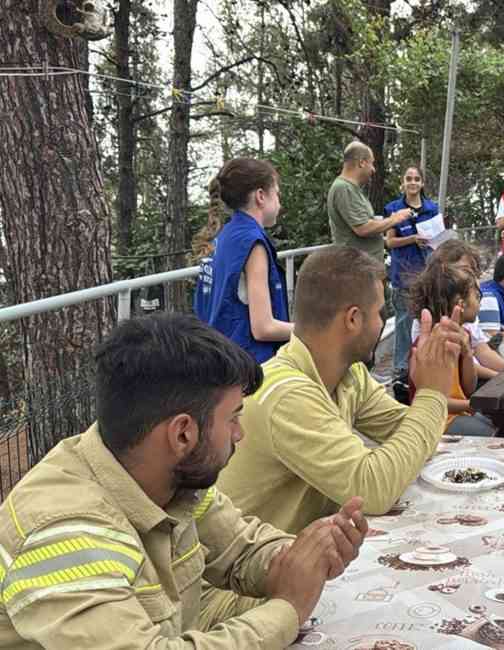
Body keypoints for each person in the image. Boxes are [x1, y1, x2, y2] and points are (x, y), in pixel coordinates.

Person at [0, 313, 366, 647]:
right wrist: (288, 609)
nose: (239, 434)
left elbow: (239, 550)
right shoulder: (65, 535)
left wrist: (311, 555)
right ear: (182, 435)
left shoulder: (164, 477)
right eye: (233, 419)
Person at [215, 245, 464, 532]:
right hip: (256, 571)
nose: (383, 323)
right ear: (353, 319)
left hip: (308, 552)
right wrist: (432, 392)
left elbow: (410, 435)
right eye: (380, 313)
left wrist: (434, 368)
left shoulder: (349, 374)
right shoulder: (286, 395)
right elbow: (373, 490)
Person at [193, 158, 292, 363]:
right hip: (249, 367)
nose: (280, 203)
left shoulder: (225, 235)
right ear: (261, 196)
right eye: (277, 194)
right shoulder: (253, 243)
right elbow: (263, 328)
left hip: (221, 358)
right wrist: (310, 332)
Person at [408, 266, 496, 437]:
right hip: (437, 421)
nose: (479, 304)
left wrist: (467, 354)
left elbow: (468, 388)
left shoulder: (464, 336)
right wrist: (472, 405)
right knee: (493, 434)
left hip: (460, 413)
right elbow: (433, 402)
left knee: (503, 423)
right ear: (460, 304)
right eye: (477, 297)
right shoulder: (428, 346)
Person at [410, 240, 504, 381]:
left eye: (474, 272)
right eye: (465, 270)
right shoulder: (428, 322)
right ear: (441, 272)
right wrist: (500, 378)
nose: (472, 278)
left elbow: (482, 351)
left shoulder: (468, 322)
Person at [383, 164, 438, 392]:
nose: (413, 182)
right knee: (404, 324)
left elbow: (438, 239)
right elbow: (389, 242)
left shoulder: (432, 209)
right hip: (403, 275)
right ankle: (400, 373)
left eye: (417, 179)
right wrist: (413, 239)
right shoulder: (394, 209)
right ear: (403, 183)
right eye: (409, 178)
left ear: (422, 183)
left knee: (429, 321)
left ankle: (427, 369)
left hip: (426, 274)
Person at [327, 142, 413, 263]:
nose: (373, 169)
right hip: (356, 268)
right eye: (371, 163)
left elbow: (365, 222)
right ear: (362, 163)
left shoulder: (353, 189)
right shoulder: (343, 188)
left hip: (367, 268)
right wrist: (395, 219)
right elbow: (363, 228)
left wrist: (388, 220)